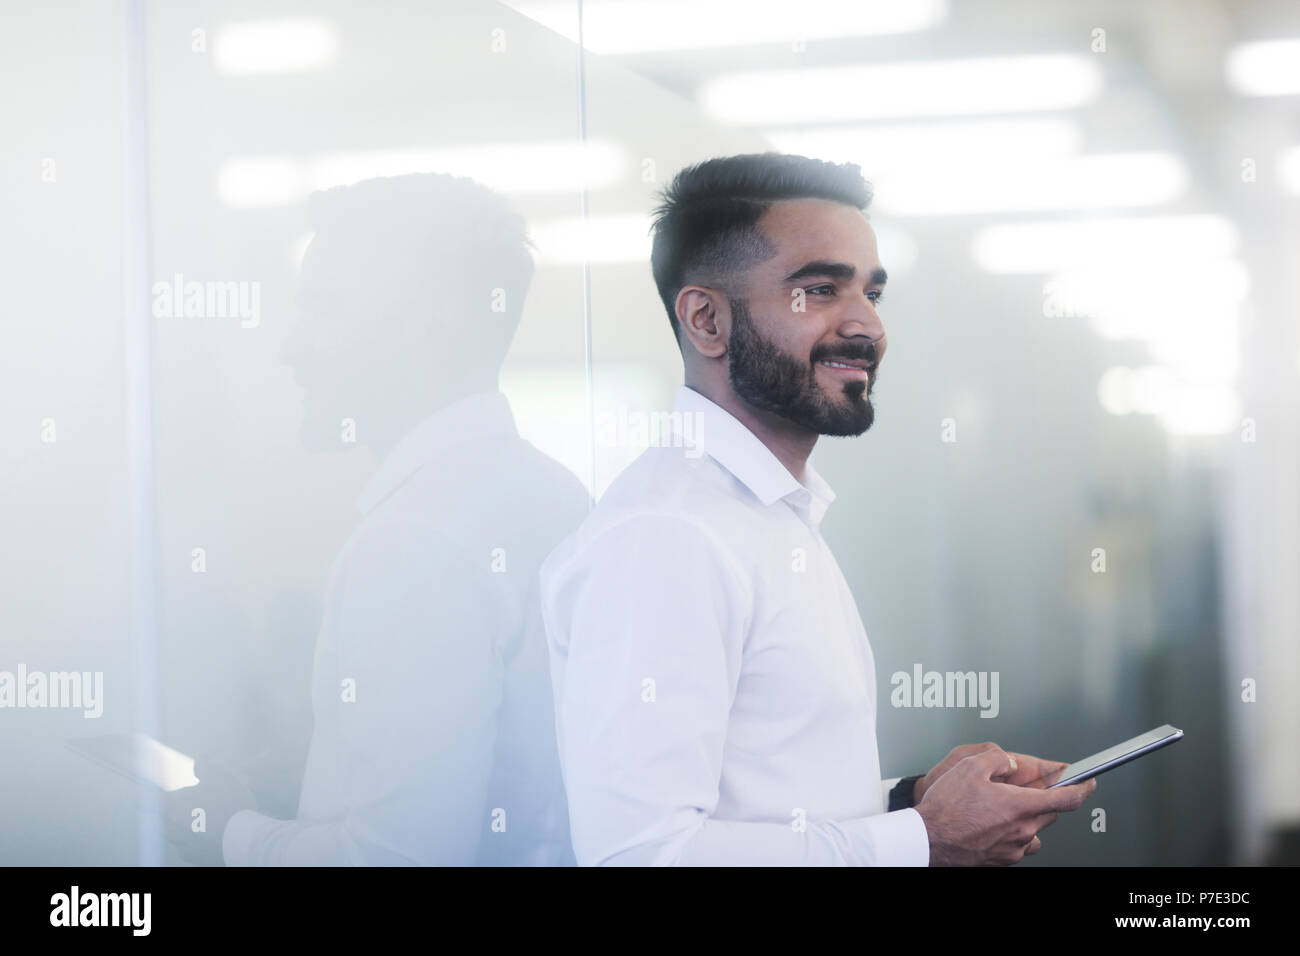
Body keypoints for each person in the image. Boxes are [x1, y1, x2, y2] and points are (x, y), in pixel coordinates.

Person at [540, 153, 1097, 866]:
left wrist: (917, 801)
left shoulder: (769, 514)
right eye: (822, 290)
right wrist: (924, 839)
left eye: (872, 292)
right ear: (707, 320)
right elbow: (642, 856)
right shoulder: (665, 537)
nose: (867, 326)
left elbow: (771, 800)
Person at [163, 173, 588, 865]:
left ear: (427, 326)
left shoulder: (413, 542)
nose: (290, 348)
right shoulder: (554, 494)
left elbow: (400, 859)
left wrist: (228, 832)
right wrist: (327, 773)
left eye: (323, 308)